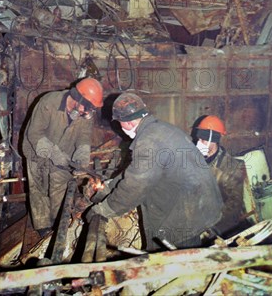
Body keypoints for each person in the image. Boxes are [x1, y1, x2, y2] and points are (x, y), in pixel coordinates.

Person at [86, 92, 223, 250]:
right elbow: (136, 172)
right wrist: (108, 189)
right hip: (196, 202)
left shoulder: (148, 141)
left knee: (166, 258)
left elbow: (135, 186)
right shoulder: (161, 129)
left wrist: (103, 209)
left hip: (185, 212)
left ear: (127, 123)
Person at [22, 77, 104, 237]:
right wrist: (54, 154)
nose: (87, 114)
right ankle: (42, 226)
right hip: (36, 151)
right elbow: (34, 134)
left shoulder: (86, 112)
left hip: (65, 154)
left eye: (90, 110)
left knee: (59, 188)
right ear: (76, 99)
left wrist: (82, 155)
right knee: (39, 189)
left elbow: (84, 136)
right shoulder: (48, 103)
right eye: (85, 109)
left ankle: (59, 223)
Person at [194, 115, 247, 237]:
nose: (198, 143)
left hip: (218, 225)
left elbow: (234, 207)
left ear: (214, 140)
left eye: (203, 140)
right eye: (199, 139)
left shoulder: (231, 168)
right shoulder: (195, 159)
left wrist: (211, 229)